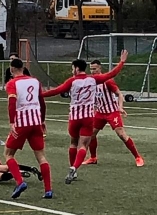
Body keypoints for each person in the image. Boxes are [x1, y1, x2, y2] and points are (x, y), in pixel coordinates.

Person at [42, 49, 128, 184]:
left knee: (73, 143)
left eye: (72, 69)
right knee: (83, 145)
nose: (72, 71)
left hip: (74, 117)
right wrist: (121, 62)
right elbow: (111, 74)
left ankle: (72, 168)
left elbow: (56, 91)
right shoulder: (93, 79)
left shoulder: (72, 81)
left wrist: (39, 95)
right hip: (87, 117)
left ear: (77, 69)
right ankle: (74, 168)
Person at [4, 57, 53, 199]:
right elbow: (42, 103)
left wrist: (12, 122)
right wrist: (42, 120)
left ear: (12, 69)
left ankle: (20, 182)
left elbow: (12, 103)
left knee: (8, 154)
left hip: (21, 123)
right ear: (23, 68)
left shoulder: (12, 83)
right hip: (36, 122)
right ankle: (48, 190)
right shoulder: (35, 81)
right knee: (41, 156)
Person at [83, 59, 144, 167]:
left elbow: (119, 94)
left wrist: (120, 107)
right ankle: (93, 158)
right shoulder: (91, 82)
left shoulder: (107, 81)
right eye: (91, 69)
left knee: (121, 134)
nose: (92, 71)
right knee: (91, 134)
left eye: (95, 69)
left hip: (112, 112)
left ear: (100, 68)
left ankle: (138, 157)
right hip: (100, 112)